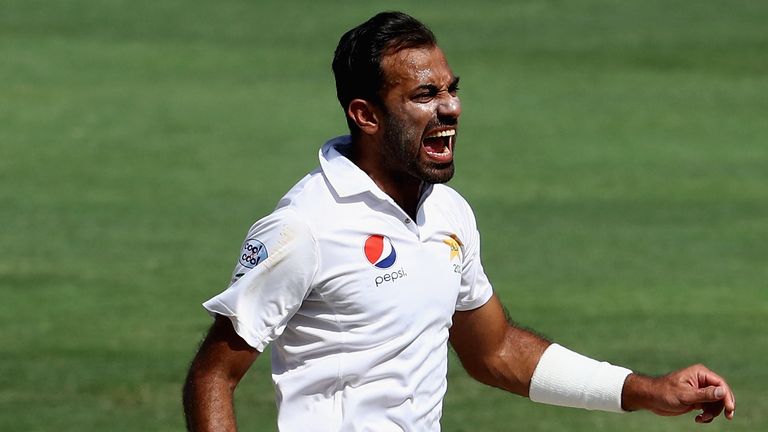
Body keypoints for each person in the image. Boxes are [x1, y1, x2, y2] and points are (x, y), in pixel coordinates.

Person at [183, 11, 736, 431]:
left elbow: (494, 352)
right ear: (366, 115)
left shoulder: (447, 211)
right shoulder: (304, 227)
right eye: (425, 94)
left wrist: (646, 390)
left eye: (451, 88)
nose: (451, 108)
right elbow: (214, 375)